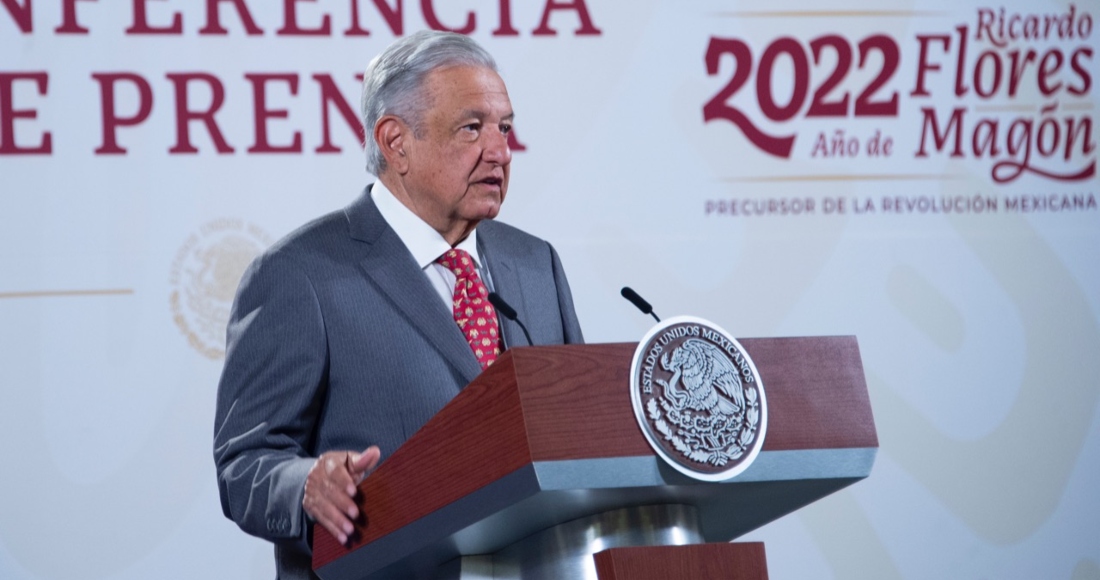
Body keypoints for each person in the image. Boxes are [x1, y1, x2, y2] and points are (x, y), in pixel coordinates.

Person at [213, 30, 584, 579]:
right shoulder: (300, 274)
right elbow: (243, 465)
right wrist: (307, 484)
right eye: (472, 128)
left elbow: (580, 432)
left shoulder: (536, 264)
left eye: (505, 127)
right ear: (395, 142)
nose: (500, 151)